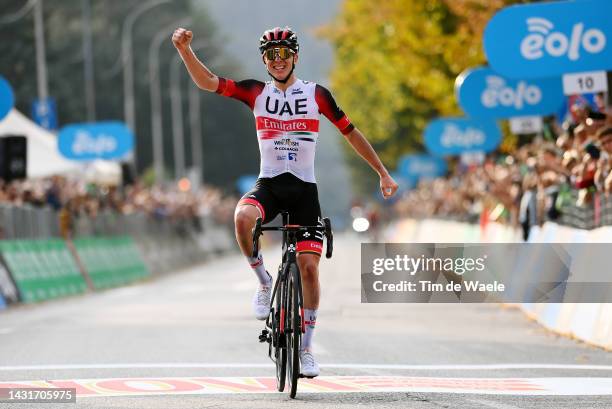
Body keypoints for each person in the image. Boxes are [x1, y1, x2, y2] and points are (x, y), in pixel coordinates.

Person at [173, 26, 398, 377]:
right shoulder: (255, 92)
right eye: (271, 56)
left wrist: (382, 172)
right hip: (270, 185)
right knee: (242, 218)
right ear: (264, 60)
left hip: (305, 190)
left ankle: (306, 351)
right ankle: (264, 282)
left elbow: (350, 132)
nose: (278, 61)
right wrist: (185, 50)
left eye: (284, 54)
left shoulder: (317, 95)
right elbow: (209, 82)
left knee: (309, 269)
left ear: (295, 56)